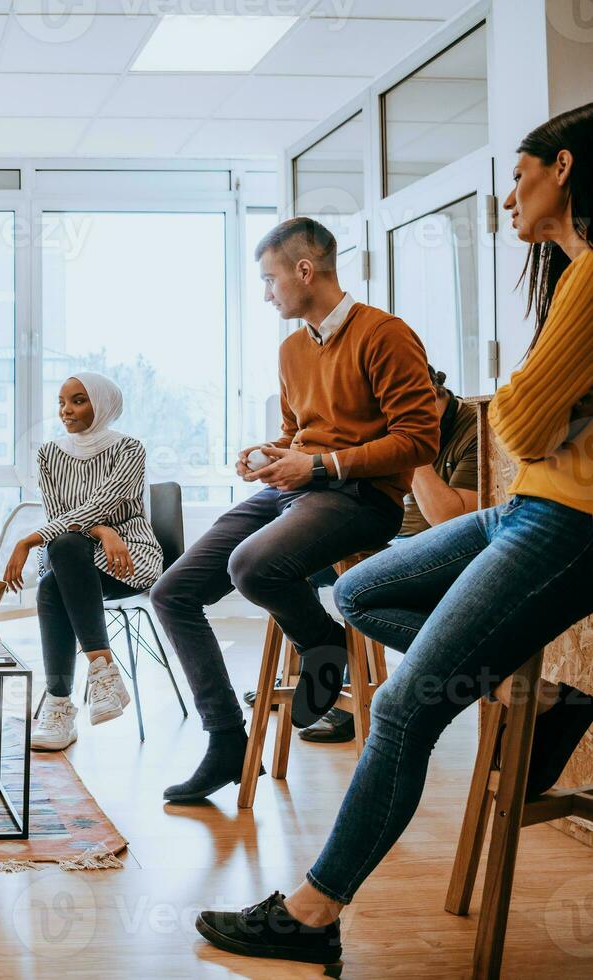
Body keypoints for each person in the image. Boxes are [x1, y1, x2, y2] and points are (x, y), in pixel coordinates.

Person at [194, 101, 593, 973]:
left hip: (570, 517)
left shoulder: (589, 275)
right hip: (530, 504)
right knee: (360, 592)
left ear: (563, 171)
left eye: (519, 175)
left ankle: (312, 912)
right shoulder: (568, 279)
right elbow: (519, 419)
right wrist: (286, 452)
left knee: (407, 705)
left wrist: (329, 464)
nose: (508, 197)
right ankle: (525, 695)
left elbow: (512, 422)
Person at [151, 215, 439, 804]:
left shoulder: (385, 334)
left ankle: (323, 645)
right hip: (298, 490)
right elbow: (299, 435)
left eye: (269, 279)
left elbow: (418, 440)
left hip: (364, 499)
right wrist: (270, 455)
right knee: (172, 592)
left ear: (305, 271)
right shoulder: (291, 350)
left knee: (252, 566)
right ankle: (228, 741)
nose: (265, 293)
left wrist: (321, 466)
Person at [287, 362, 480, 744]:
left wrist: (415, 446)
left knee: (354, 591)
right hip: (378, 534)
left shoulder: (472, 429)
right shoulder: (375, 425)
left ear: (428, 396)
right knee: (287, 564)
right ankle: (314, 676)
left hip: (435, 548)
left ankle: (348, 699)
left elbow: (450, 521)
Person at [1, 373, 163, 750]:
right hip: (75, 554)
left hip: (128, 553)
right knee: (60, 561)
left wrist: (30, 539)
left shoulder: (129, 449)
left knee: (53, 578)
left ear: (102, 405)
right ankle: (102, 671)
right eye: (61, 402)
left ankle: (59, 707)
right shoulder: (50, 454)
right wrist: (100, 531)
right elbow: (62, 517)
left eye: (78, 401)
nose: (66, 410)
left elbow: (103, 504)